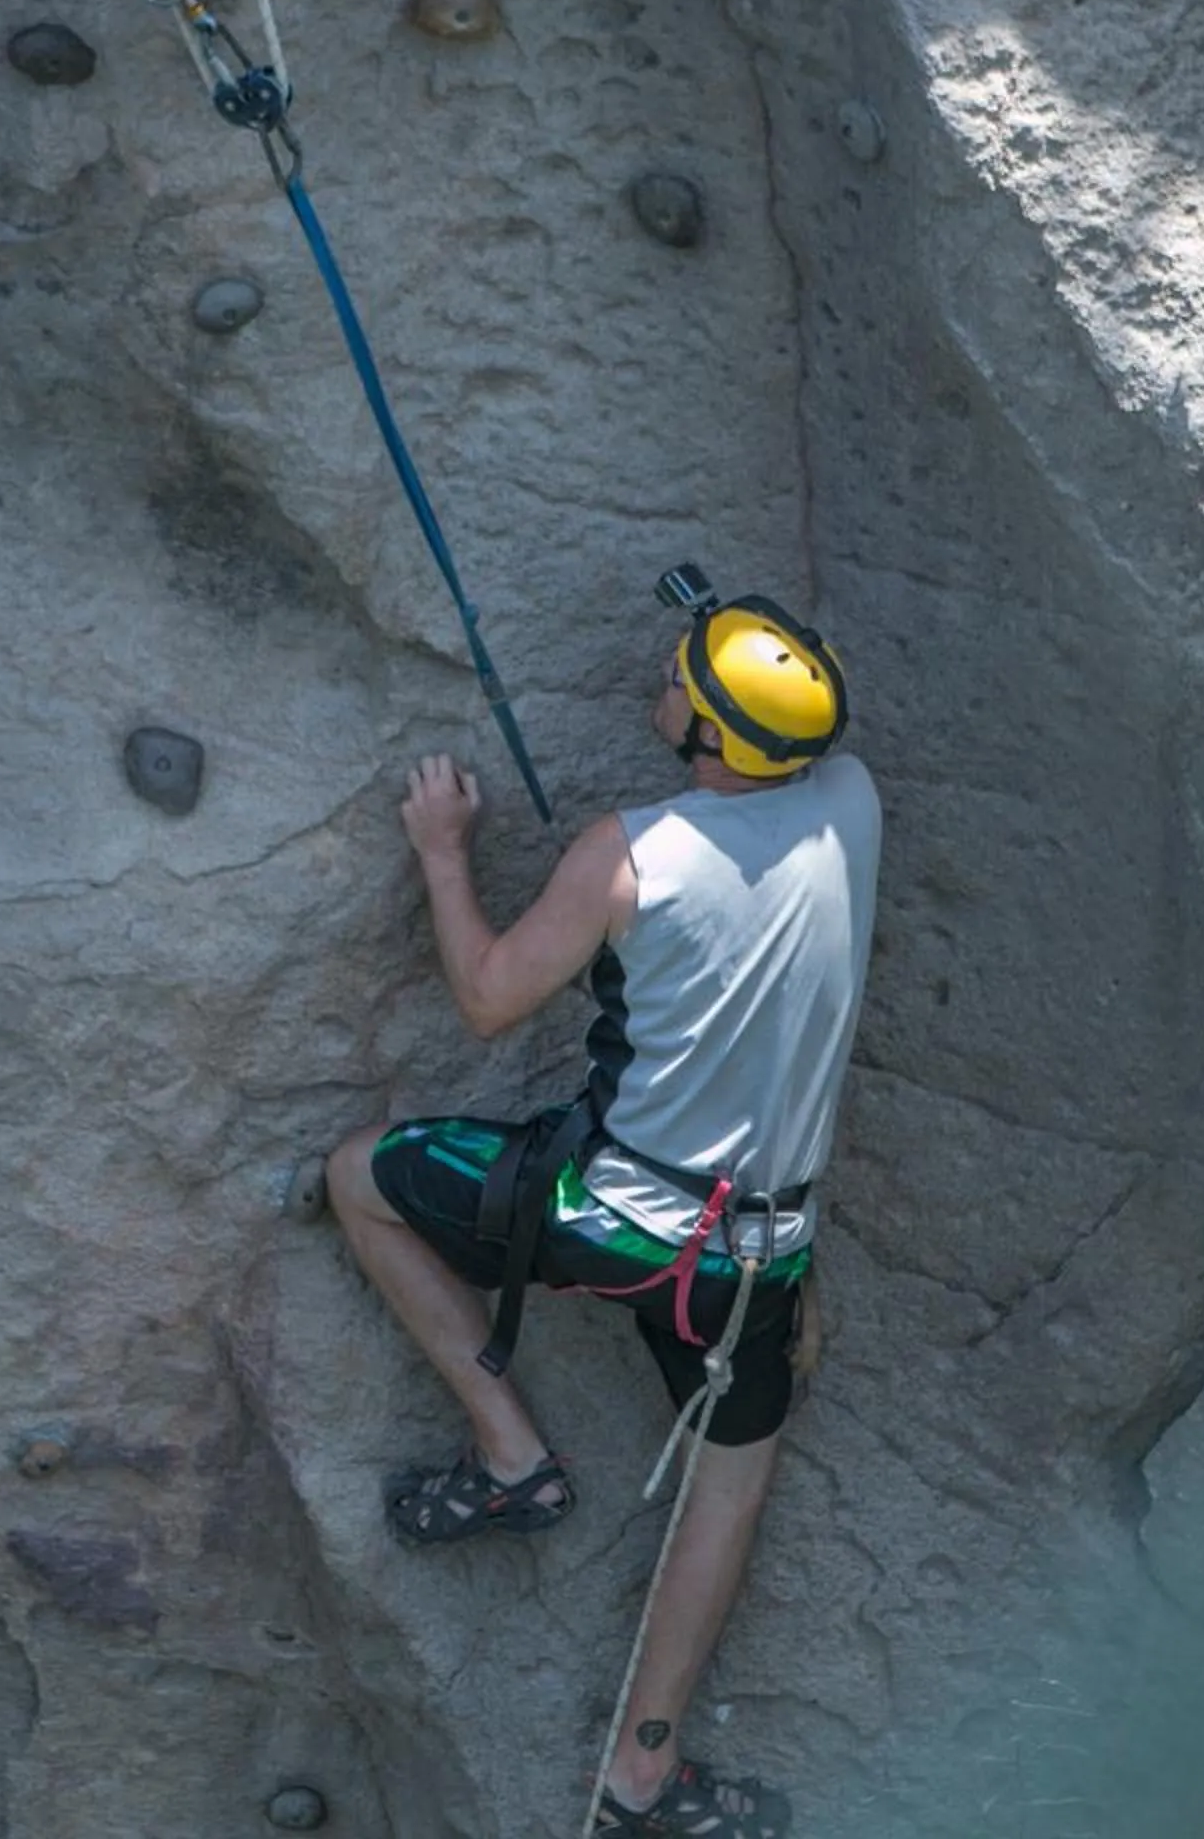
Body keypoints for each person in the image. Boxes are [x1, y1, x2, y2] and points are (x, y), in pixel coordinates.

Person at [321, 570, 879, 1839]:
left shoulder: (631, 854)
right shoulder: (854, 801)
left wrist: (444, 852)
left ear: (707, 735)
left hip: (611, 1217)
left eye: (685, 678)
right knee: (730, 1478)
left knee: (362, 1175)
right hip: (759, 1260)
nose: (667, 673)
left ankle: (511, 1453)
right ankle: (642, 1782)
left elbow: (486, 996)